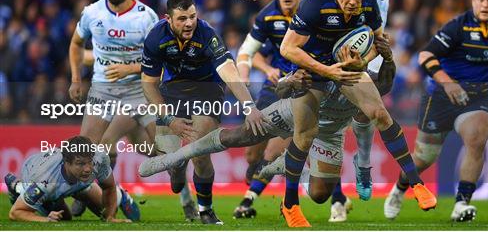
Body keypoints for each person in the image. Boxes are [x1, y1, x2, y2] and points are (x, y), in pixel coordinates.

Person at [240, 0, 433, 218]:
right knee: (305, 141)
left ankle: (395, 176)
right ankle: (292, 202)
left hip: (363, 51)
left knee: (375, 112)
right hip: (320, 59)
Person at [137, 36, 396, 211]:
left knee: (318, 195)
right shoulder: (315, 58)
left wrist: (389, 60)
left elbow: (384, 87)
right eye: (346, 50)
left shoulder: (365, 77)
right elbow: (282, 89)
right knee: (238, 137)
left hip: (329, 132)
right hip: (292, 112)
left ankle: (279, 167)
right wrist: (291, 82)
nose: (350, 55)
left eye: (355, 53)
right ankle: (170, 160)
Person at [277, 0, 436, 227]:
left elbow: (376, 42)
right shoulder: (315, 3)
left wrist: (361, 63)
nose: (353, 2)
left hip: (347, 69)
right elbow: (288, 48)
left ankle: (416, 183)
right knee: (304, 136)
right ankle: (290, 203)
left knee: (379, 113)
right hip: (312, 70)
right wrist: (327, 70)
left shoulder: (369, 4)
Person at [384, 0, 488, 222]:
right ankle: (399, 188)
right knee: (425, 157)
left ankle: (461, 203)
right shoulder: (457, 27)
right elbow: (426, 55)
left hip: (476, 99)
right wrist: (448, 83)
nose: (484, 4)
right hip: (440, 96)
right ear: (472, 1)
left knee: (477, 137)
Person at [140, 0, 265, 225]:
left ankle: (205, 209)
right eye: (182, 19)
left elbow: (228, 68)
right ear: (168, 19)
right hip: (173, 90)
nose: (189, 23)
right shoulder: (155, 38)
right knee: (174, 169)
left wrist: (248, 106)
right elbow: (148, 84)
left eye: (192, 16)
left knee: (200, 152)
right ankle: (178, 167)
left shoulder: (206, 33)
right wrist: (168, 120)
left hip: (207, 89)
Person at [68, 0, 158, 216]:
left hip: (137, 92)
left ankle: (188, 198)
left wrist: (130, 69)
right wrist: (76, 78)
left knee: (164, 151)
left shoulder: (146, 16)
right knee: (83, 154)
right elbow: (75, 44)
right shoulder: (92, 13)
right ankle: (94, 195)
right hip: (103, 90)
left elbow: (160, 61)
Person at [234, 0, 303, 218]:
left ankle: (247, 202)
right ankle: (256, 172)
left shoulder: (311, 14)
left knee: (274, 152)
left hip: (302, 90)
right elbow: (247, 52)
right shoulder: (267, 16)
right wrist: (260, 71)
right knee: (253, 153)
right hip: (272, 88)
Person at [4, 136, 137, 222]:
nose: (87, 169)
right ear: (66, 162)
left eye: (89, 162)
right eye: (80, 163)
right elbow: (15, 213)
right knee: (64, 218)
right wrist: (46, 220)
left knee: (105, 209)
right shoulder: (43, 181)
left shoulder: (98, 159)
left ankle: (87, 196)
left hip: (78, 182)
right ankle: (18, 187)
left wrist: (110, 217)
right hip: (38, 175)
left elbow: (109, 186)